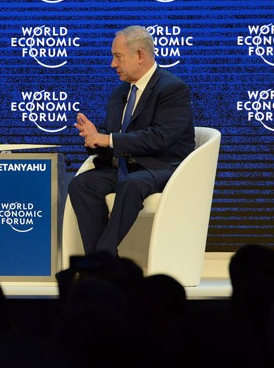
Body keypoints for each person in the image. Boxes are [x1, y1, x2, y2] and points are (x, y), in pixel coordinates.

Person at [68, 25, 195, 256]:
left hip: (163, 167)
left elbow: (160, 138)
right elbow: (112, 137)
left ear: (139, 55)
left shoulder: (173, 89)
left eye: (117, 57)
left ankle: (102, 256)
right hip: (127, 166)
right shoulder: (121, 93)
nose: (112, 65)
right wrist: (94, 141)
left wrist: (108, 139)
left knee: (132, 184)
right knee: (81, 184)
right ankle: (104, 262)